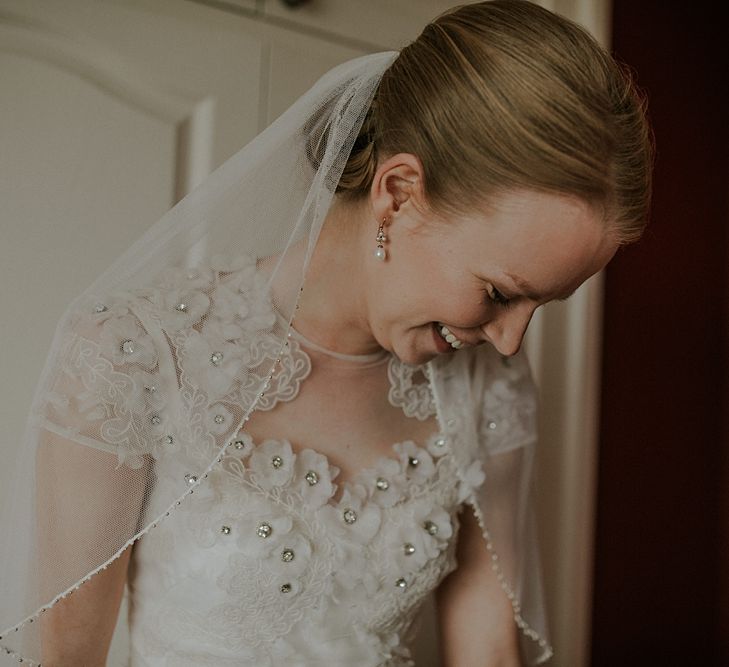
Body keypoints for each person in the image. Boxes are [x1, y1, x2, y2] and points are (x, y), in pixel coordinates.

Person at [0, 1, 653, 665]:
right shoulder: (134, 353)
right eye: (499, 293)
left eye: (540, 305)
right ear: (396, 194)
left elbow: (486, 650)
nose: (511, 341)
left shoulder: (487, 384)